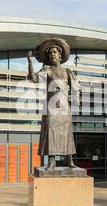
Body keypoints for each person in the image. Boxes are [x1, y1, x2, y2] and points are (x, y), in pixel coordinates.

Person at [26, 38, 81, 170]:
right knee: (51, 131)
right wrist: (29, 62)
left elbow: (75, 86)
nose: (53, 55)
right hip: (51, 106)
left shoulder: (67, 71)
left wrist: (76, 99)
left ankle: (69, 159)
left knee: (66, 132)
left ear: (60, 55)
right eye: (50, 54)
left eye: (55, 53)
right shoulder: (47, 71)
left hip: (64, 105)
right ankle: (52, 160)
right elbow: (33, 78)